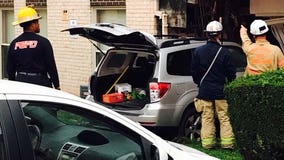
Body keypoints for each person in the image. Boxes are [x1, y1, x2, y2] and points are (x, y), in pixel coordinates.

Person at [191, 20, 236, 149]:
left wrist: (200, 82)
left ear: (207, 35)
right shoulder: (224, 52)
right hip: (220, 91)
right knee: (224, 118)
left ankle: (208, 144)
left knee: (207, 118)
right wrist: (229, 83)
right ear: (219, 35)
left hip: (205, 91)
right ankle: (227, 144)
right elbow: (231, 73)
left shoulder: (198, 52)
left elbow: (194, 72)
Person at [7, 6, 60, 89]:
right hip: (40, 84)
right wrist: (57, 85)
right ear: (32, 25)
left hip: (21, 83)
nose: (39, 25)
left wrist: (13, 85)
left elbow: (10, 68)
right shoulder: (44, 42)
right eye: (37, 22)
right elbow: (51, 66)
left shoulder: (14, 43)